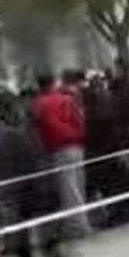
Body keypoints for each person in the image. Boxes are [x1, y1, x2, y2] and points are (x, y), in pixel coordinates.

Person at [0, 90, 63, 257]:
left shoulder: (6, 131)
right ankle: (33, 254)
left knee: (26, 218)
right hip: (18, 181)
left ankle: (35, 253)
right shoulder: (14, 130)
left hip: (18, 181)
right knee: (26, 218)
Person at [31, 71, 91, 239]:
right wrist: (79, 136)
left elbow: (43, 127)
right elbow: (79, 120)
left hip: (58, 149)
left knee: (68, 189)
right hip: (76, 145)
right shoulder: (67, 99)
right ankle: (82, 222)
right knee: (79, 185)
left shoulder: (39, 104)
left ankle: (77, 227)